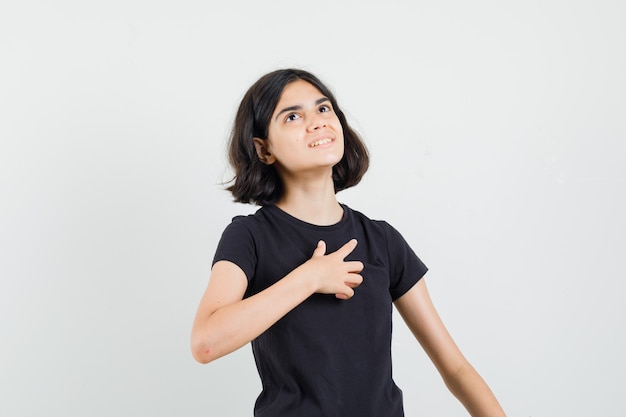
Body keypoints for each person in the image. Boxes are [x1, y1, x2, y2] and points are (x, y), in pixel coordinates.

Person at [190, 68, 507, 417]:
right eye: (293, 116)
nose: (317, 122)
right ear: (263, 149)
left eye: (324, 109)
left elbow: (455, 369)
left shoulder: (382, 240)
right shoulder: (249, 236)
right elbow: (206, 342)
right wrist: (309, 278)